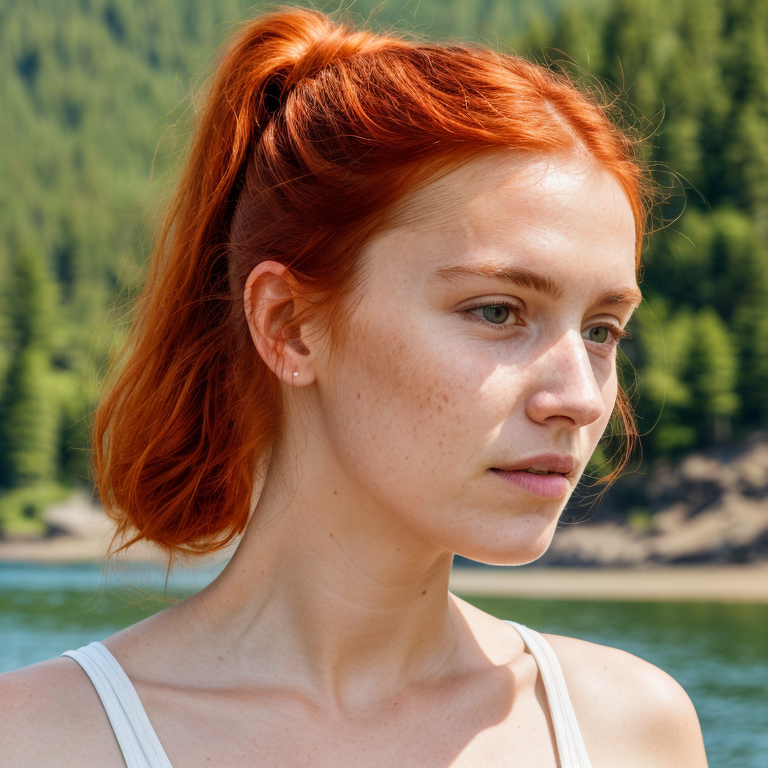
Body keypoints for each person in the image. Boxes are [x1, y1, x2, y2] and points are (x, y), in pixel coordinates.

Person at [0, 7, 708, 767]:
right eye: (499, 312)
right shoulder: (41, 739)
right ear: (290, 326)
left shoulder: (629, 732)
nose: (580, 397)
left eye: (602, 329)